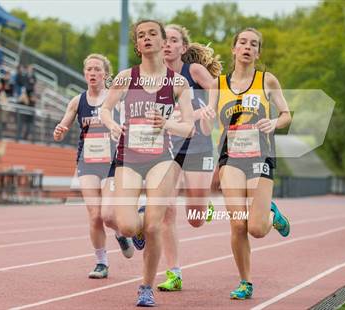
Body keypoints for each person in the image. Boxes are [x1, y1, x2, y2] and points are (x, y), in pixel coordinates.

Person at [101, 20, 194, 307]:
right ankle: (136, 223)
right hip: (128, 157)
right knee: (128, 227)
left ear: (164, 40)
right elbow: (105, 109)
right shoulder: (126, 77)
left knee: (154, 227)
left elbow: (189, 126)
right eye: (141, 35)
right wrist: (112, 125)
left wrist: (168, 123)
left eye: (153, 33)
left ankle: (145, 287)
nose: (147, 38)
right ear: (137, 44)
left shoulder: (177, 82)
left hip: (160, 160)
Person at [200, 27, 291, 300]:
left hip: (260, 156)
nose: (247, 47)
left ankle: (271, 215)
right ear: (234, 48)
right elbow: (210, 123)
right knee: (238, 224)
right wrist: (203, 119)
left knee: (257, 229)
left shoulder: (267, 80)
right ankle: (245, 282)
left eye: (253, 44)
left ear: (258, 52)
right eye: (243, 42)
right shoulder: (220, 84)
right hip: (231, 158)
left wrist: (274, 121)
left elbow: (286, 114)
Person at [53, 54, 135, 279]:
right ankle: (101, 262)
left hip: (112, 162)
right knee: (94, 215)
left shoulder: (115, 99)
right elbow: (62, 129)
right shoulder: (77, 101)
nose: (92, 73)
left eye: (97, 69)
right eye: (88, 69)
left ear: (105, 75)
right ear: (84, 73)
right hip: (87, 162)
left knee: (108, 215)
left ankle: (120, 233)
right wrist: (59, 131)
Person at [157, 24, 222, 292]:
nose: (168, 45)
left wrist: (209, 107)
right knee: (166, 212)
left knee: (194, 218)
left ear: (183, 48)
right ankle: (174, 273)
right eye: (165, 40)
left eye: (174, 41)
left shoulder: (193, 70)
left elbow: (217, 84)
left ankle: (204, 206)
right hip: (168, 148)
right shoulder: (153, 76)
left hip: (198, 146)